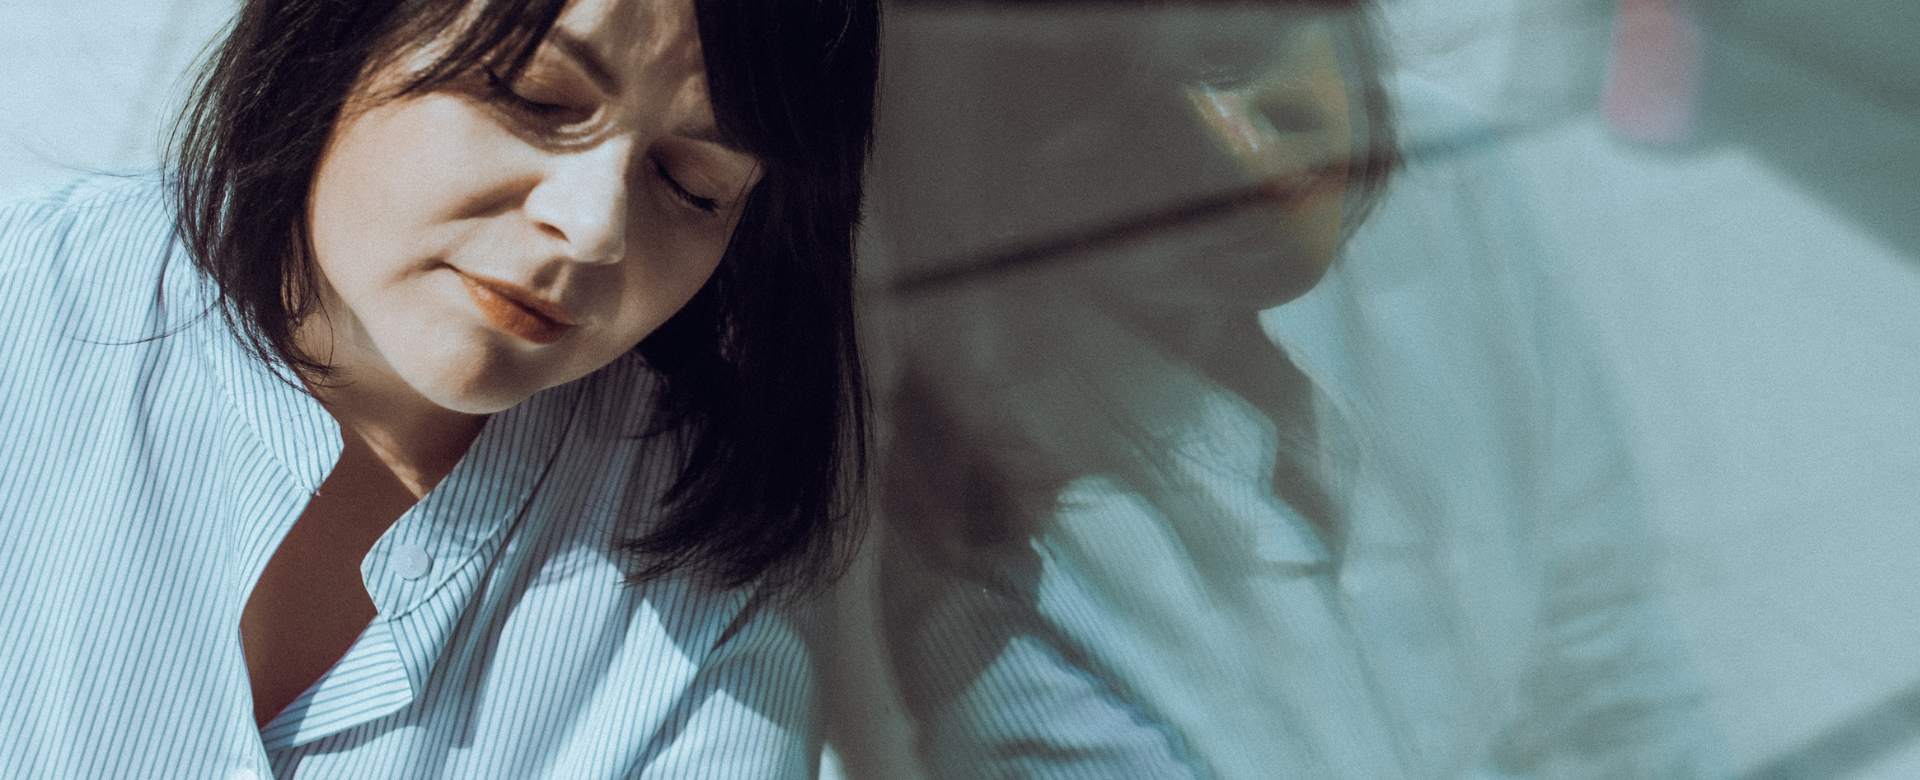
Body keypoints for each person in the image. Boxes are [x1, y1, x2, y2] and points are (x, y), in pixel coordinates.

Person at [835, 1, 1726, 778]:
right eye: (1112, 108)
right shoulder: (982, 532)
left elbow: (1610, 657)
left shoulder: (1446, 185)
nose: (1237, 155)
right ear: (981, 161)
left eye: (1241, 39)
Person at [0, 0, 876, 776]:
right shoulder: (24, 310)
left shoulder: (713, 574)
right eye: (538, 98)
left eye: (691, 187)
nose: (592, 227)